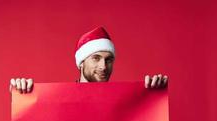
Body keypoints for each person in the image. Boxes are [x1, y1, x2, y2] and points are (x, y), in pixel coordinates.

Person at [9, 27, 168, 93]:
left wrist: (153, 96)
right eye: (96, 58)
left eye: (109, 59)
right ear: (81, 62)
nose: (103, 66)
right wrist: (20, 93)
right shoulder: (61, 101)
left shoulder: (122, 103)